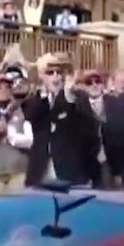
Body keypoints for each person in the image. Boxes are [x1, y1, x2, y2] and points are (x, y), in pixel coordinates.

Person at [23, 53, 100, 187]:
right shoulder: (35, 101)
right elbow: (31, 117)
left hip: (72, 173)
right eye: (50, 73)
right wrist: (45, 94)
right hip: (41, 173)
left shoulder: (78, 97)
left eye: (59, 73)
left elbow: (90, 131)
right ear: (41, 76)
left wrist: (68, 99)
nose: (55, 77)